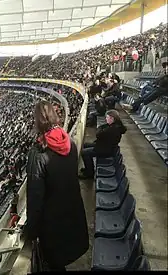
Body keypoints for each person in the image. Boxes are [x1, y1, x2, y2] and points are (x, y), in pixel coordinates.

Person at [23, 101, 89, 272]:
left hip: (51, 225)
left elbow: (35, 198)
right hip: (71, 215)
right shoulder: (70, 143)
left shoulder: (38, 154)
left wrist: (31, 232)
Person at [80, 110, 125, 179]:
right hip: (105, 145)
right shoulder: (113, 126)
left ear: (112, 119)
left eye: (107, 117)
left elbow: (98, 134)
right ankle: (88, 168)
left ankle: (89, 173)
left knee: (84, 153)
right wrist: (100, 129)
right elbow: (100, 130)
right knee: (86, 144)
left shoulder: (112, 129)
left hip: (106, 150)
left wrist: (100, 129)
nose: (106, 119)